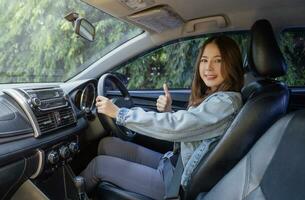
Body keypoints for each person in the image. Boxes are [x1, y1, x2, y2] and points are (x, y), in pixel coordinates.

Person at [80, 35, 244, 200]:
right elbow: (193, 128)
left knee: (98, 166)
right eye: (204, 60)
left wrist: (119, 113)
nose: (208, 67)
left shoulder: (224, 103)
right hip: (173, 163)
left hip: (175, 184)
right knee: (107, 144)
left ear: (231, 63)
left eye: (218, 60)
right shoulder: (217, 97)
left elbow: (176, 127)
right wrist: (168, 112)